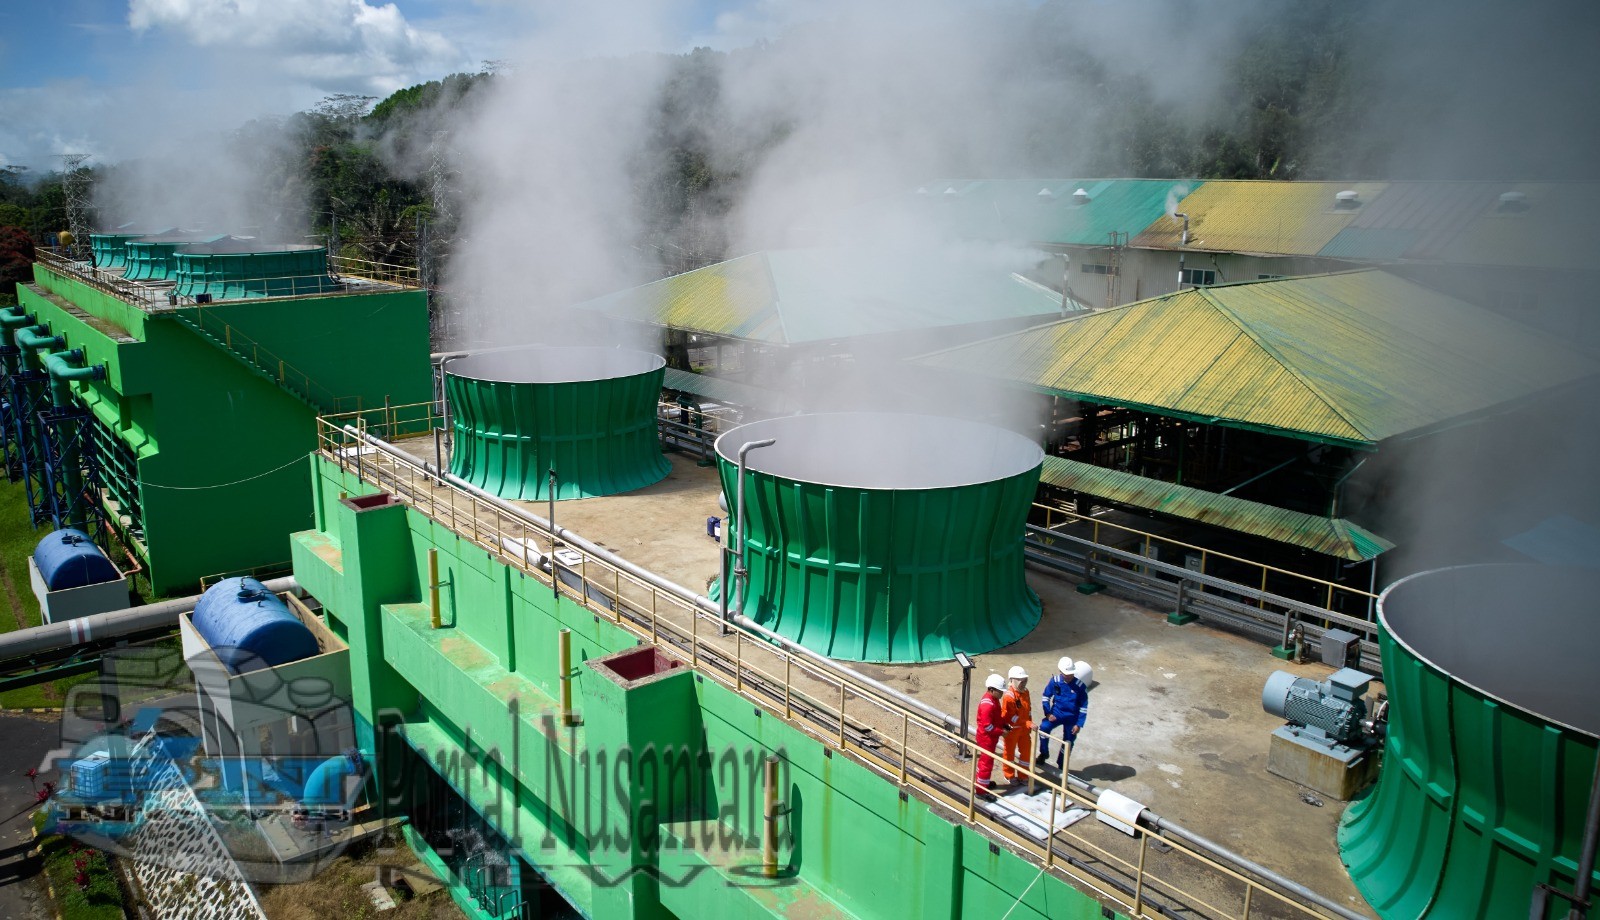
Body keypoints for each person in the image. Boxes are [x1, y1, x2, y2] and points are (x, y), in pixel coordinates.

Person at [1038, 656, 1089, 771]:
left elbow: (1083, 707)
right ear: (1060, 671)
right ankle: (1044, 753)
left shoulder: (1080, 686)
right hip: (1057, 713)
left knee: (1068, 741)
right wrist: (1048, 713)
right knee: (1044, 728)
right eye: (1066, 674)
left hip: (1072, 717)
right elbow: (1046, 697)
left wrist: (1079, 724)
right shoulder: (1055, 681)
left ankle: (1062, 765)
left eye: (1071, 673)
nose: (1069, 676)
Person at [974, 672, 1006, 797]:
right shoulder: (988, 705)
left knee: (986, 762)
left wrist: (1003, 725)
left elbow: (996, 718)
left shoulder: (994, 700)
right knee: (985, 764)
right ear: (992, 689)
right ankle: (981, 791)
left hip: (989, 738)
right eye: (1000, 691)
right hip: (986, 739)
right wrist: (1001, 732)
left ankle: (982, 783)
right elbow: (988, 726)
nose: (1002, 693)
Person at [999, 665, 1033, 783]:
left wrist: (1029, 722)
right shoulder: (1009, 696)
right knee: (1009, 753)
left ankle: (1023, 775)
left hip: (1024, 729)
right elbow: (1011, 717)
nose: (1023, 683)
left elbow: (1028, 710)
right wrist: (1027, 723)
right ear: (1012, 680)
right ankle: (1009, 775)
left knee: (1026, 752)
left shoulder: (1026, 692)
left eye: (1024, 680)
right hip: (1012, 730)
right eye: (1020, 680)